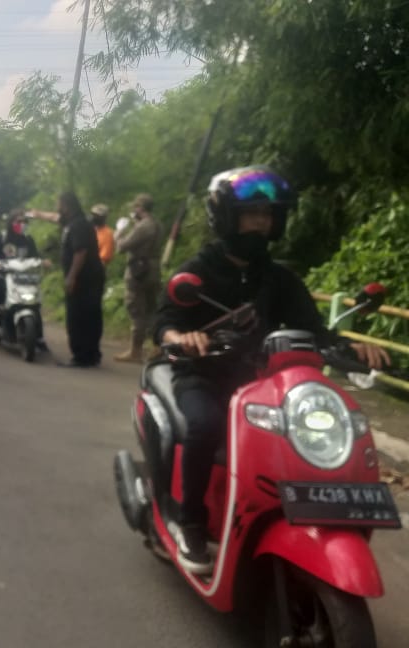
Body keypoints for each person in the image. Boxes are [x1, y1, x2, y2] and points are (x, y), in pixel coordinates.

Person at [155, 165, 390, 574]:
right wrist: (182, 339)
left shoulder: (277, 277)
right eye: (253, 214)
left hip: (259, 383)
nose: (262, 223)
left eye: (269, 215)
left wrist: (352, 346)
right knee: (205, 423)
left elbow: (314, 330)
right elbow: (166, 323)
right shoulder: (199, 270)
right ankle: (190, 522)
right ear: (227, 216)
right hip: (203, 375)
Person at [30, 192, 105, 367]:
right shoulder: (73, 221)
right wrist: (38, 214)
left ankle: (82, 356)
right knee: (90, 315)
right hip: (89, 277)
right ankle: (91, 354)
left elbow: (81, 252)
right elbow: (55, 217)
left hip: (84, 279)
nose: (57, 207)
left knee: (79, 316)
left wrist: (71, 277)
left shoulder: (78, 225)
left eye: (59, 204)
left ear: (66, 205)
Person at [0, 211, 47, 352]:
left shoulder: (28, 240)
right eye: (18, 222)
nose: (22, 225)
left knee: (34, 303)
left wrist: (43, 262)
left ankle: (39, 338)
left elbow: (35, 256)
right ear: (11, 223)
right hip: (0, 277)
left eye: (24, 222)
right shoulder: (2, 238)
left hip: (21, 278)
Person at [114, 193, 163, 362]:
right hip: (154, 270)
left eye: (135, 207)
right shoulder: (157, 224)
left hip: (138, 271)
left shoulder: (143, 227)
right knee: (152, 309)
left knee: (135, 309)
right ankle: (158, 346)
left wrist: (119, 234)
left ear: (140, 208)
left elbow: (122, 247)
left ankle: (135, 351)